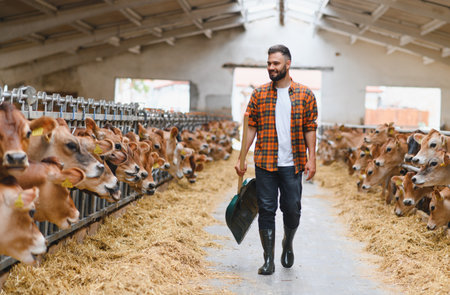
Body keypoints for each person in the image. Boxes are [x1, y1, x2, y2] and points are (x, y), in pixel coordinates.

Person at [235, 44, 318, 275]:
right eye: (269, 63)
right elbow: (250, 128)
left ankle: (287, 243)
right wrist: (241, 158)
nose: (271, 67)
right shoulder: (259, 94)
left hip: (293, 163)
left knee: (292, 209)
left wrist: (312, 158)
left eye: (276, 64)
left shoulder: (305, 94)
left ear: (287, 64)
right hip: (265, 163)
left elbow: (310, 128)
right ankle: (268, 259)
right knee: (267, 209)